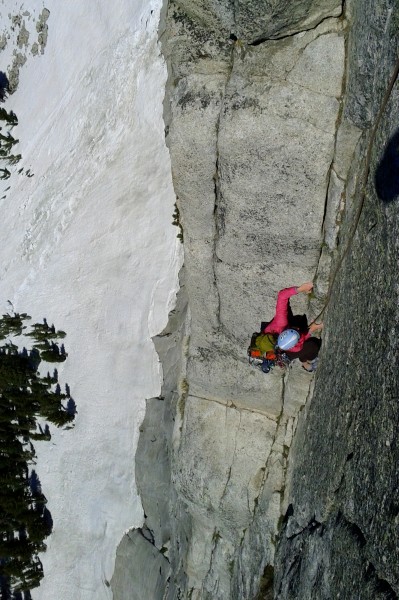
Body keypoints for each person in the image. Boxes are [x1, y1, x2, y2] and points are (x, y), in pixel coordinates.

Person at [263, 282, 323, 369]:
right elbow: (302, 340)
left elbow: (282, 296)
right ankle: (305, 362)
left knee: (299, 322)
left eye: (296, 329)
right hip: (282, 352)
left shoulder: (281, 322)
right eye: (297, 330)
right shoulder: (295, 348)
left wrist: (300, 289)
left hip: (279, 330)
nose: (298, 328)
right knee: (313, 347)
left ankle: (304, 359)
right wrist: (310, 330)